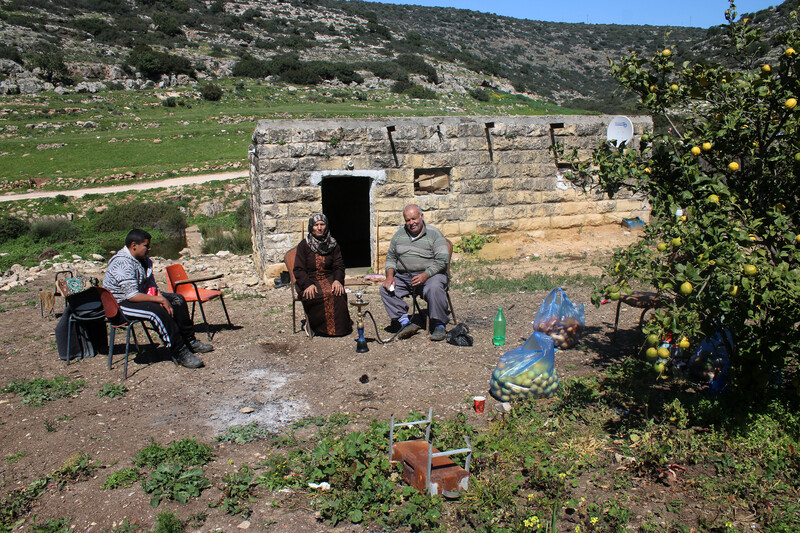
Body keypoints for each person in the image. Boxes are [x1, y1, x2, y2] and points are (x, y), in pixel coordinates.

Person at [103, 228, 213, 369]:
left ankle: (189, 340)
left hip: (140, 294)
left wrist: (160, 296)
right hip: (121, 303)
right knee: (155, 311)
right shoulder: (122, 263)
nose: (149, 249)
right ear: (134, 245)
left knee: (177, 299)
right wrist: (160, 301)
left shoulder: (144, 260)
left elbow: (151, 285)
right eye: (146, 246)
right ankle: (179, 351)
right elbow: (132, 295)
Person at [381, 204, 450, 341]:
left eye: (414, 218)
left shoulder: (434, 234)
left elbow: (442, 260)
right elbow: (391, 257)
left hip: (431, 275)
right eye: (407, 220)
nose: (411, 223)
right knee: (385, 289)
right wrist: (389, 276)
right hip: (404, 276)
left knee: (435, 287)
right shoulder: (399, 235)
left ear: (421, 217)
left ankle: (439, 324)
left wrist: (426, 275)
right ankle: (405, 323)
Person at [292, 214, 353, 337]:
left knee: (337, 292)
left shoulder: (333, 244)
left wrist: (337, 280)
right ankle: (315, 326)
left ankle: (340, 329)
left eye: (322, 224)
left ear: (326, 226)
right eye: (316, 225)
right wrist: (307, 284)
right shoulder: (304, 245)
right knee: (316, 294)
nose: (319, 228)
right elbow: (298, 269)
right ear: (311, 227)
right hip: (309, 279)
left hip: (328, 276)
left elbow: (339, 265)